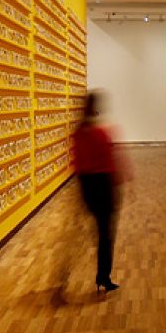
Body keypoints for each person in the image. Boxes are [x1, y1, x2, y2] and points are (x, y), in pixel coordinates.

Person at [72, 90, 124, 292]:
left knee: (97, 231)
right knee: (105, 235)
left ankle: (94, 274)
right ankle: (103, 276)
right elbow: (109, 162)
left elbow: (77, 162)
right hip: (103, 186)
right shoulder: (100, 133)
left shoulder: (78, 132)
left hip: (86, 185)